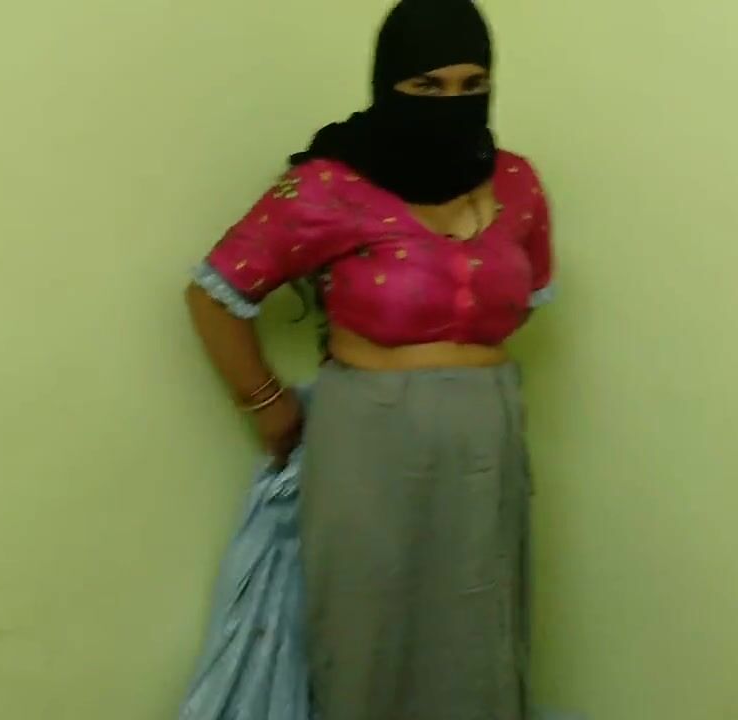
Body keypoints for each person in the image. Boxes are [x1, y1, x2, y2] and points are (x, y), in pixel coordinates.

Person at [185, 0, 554, 717]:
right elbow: (213, 296)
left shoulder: (518, 183)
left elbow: (527, 294)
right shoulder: (330, 187)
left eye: (472, 84)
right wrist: (268, 407)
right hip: (371, 436)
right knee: (366, 632)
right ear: (390, 85)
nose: (452, 102)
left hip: (489, 433)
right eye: (427, 86)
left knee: (481, 628)